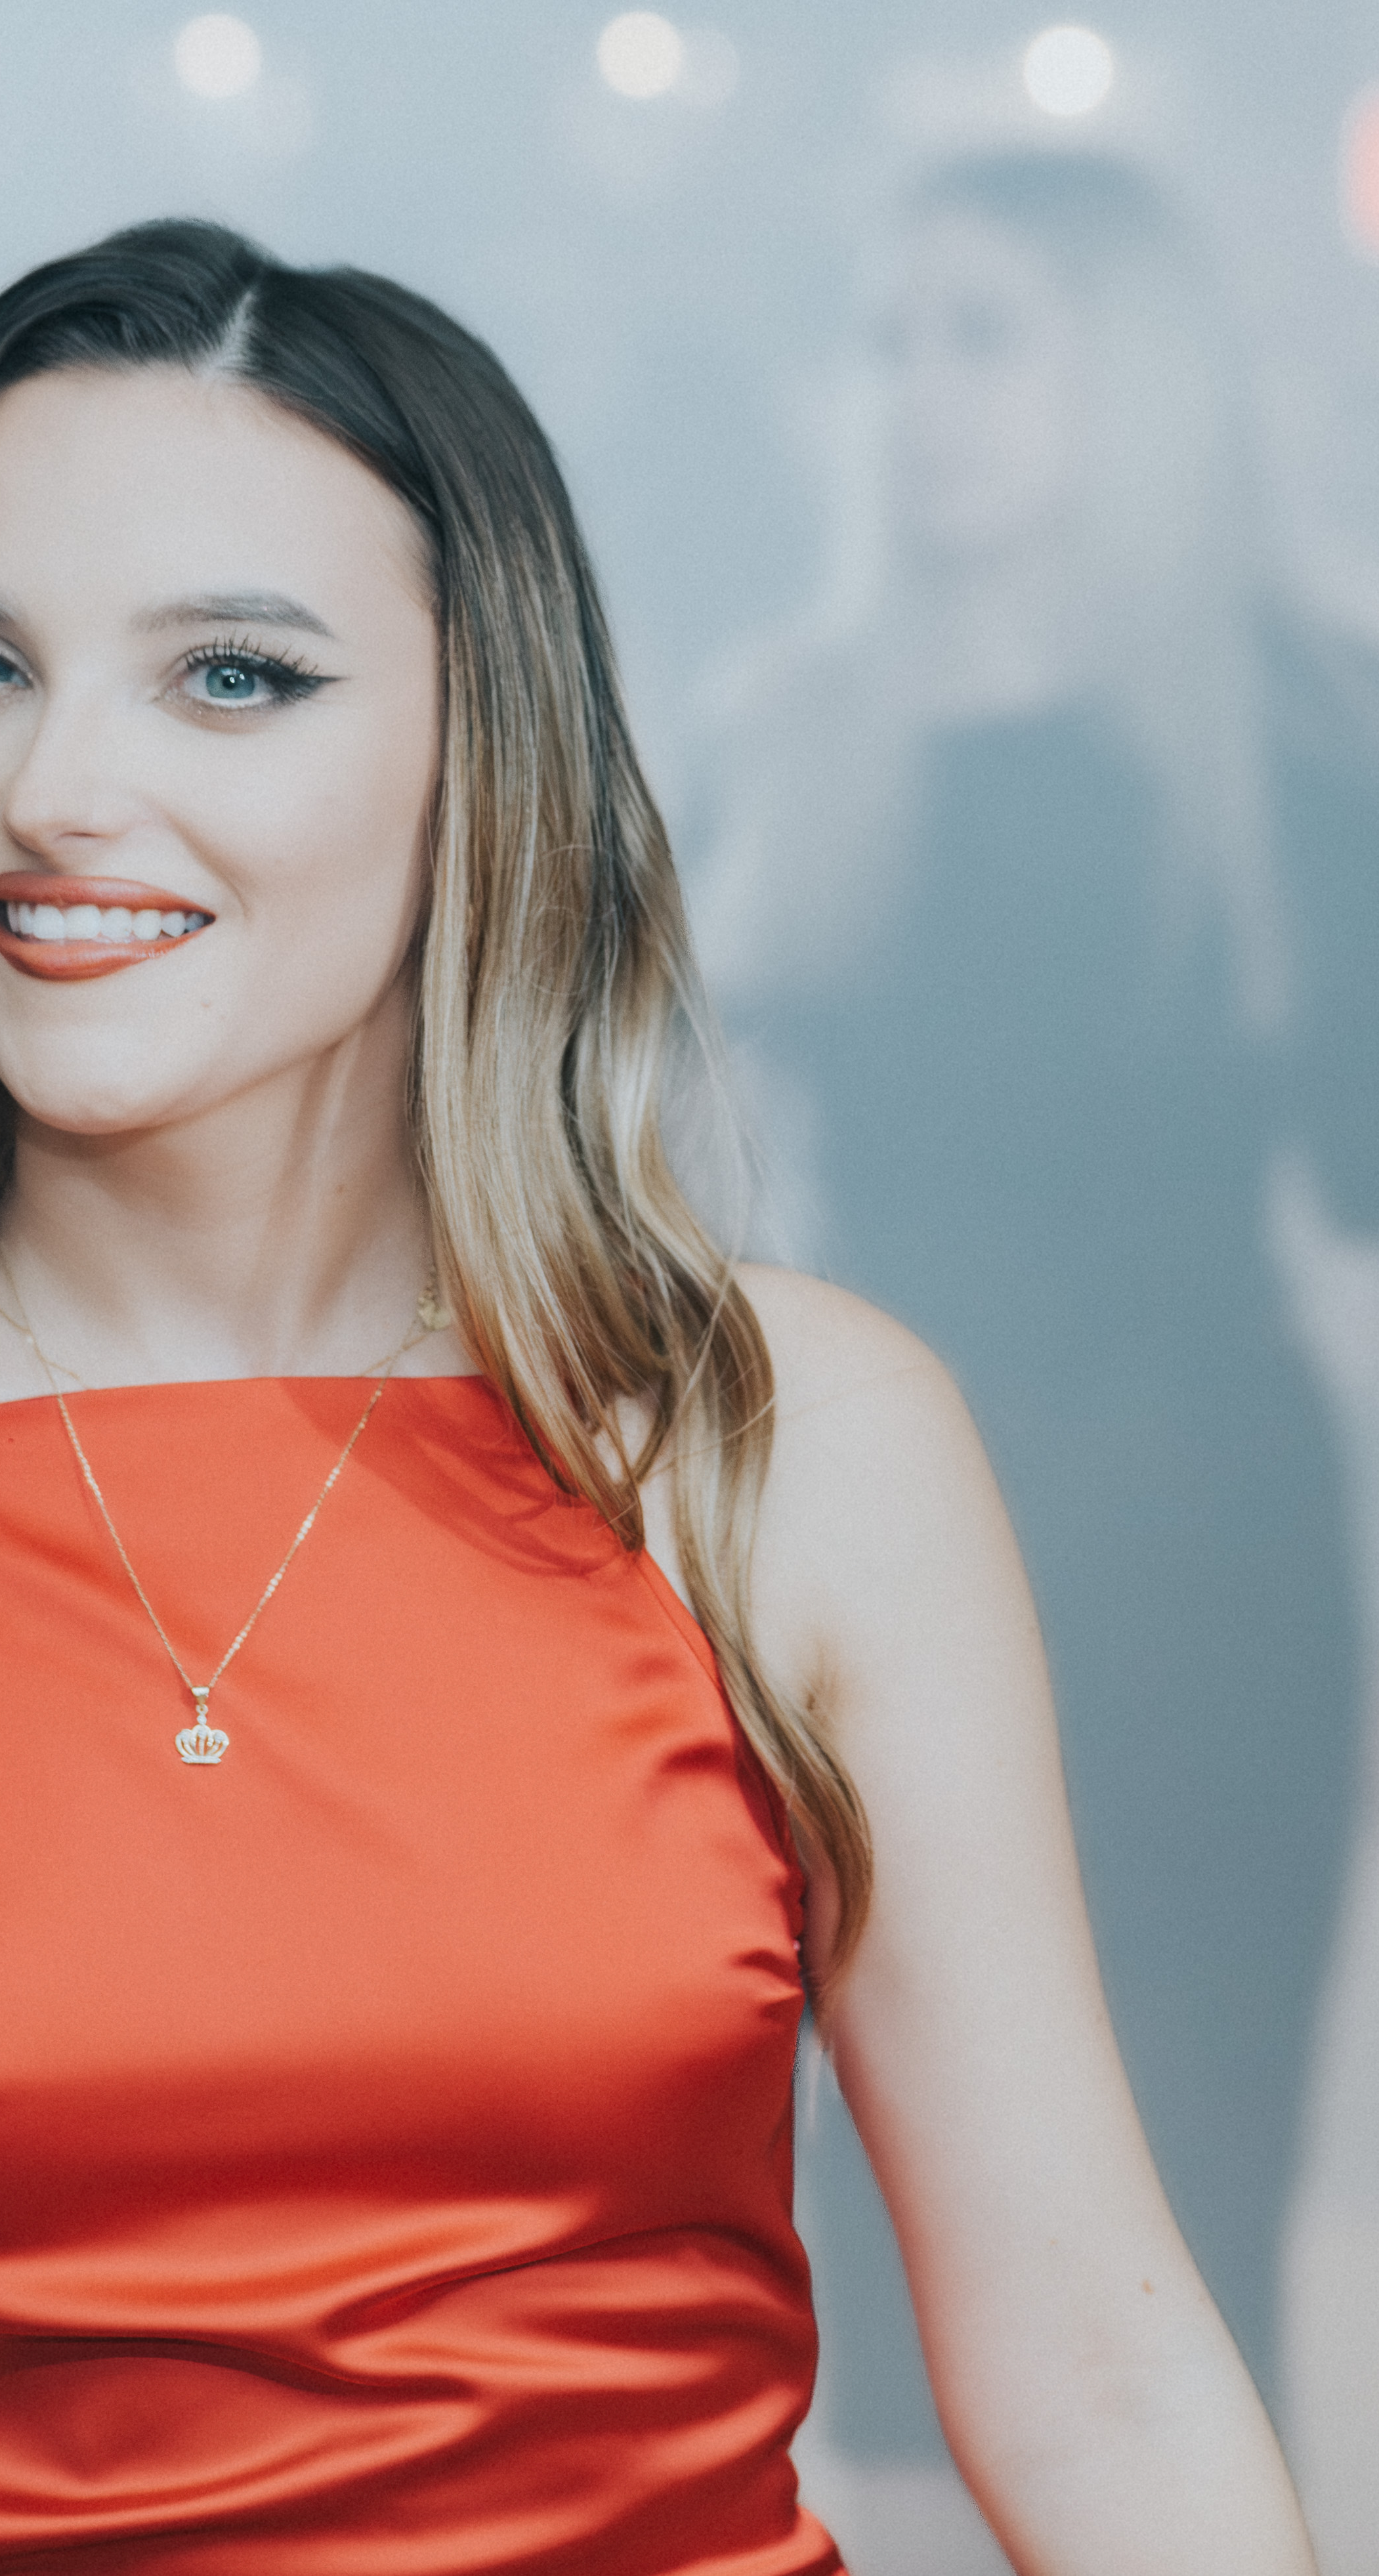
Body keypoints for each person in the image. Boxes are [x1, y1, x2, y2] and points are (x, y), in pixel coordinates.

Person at [0, 219, 1316, 2576]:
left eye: (230, 677)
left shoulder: (788, 1442)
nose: (51, 790)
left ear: (477, 749)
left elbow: (1099, 2374)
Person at [690, 145, 1376, 2503]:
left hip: (1202, 1577)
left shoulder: (1299, 732)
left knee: (1178, 2213)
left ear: (1133, 370)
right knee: (881, 2258)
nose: (919, 394)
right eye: (890, 341)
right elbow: (669, 1170)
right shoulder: (789, 736)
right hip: (863, 1561)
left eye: (983, 335)